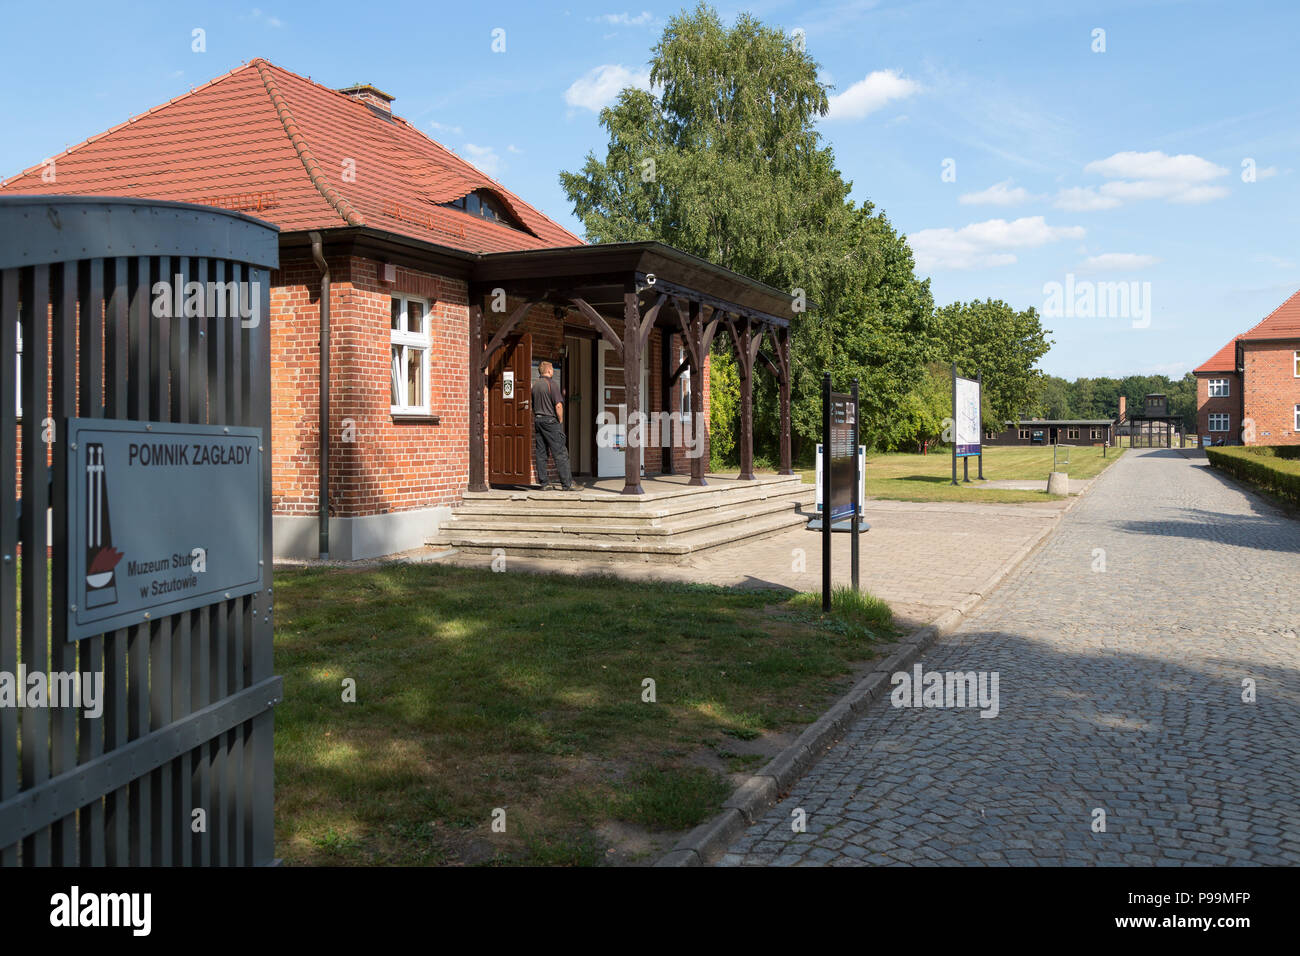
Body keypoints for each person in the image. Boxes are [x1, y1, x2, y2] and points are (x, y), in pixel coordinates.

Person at [531, 360, 573, 491]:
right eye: (552, 370)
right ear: (549, 371)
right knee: (560, 452)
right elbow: (558, 405)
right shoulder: (552, 384)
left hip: (538, 421)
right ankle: (567, 484)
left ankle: (544, 483)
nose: (553, 371)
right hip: (550, 422)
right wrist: (560, 420)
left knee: (541, 452)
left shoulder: (535, 385)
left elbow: (533, 404)